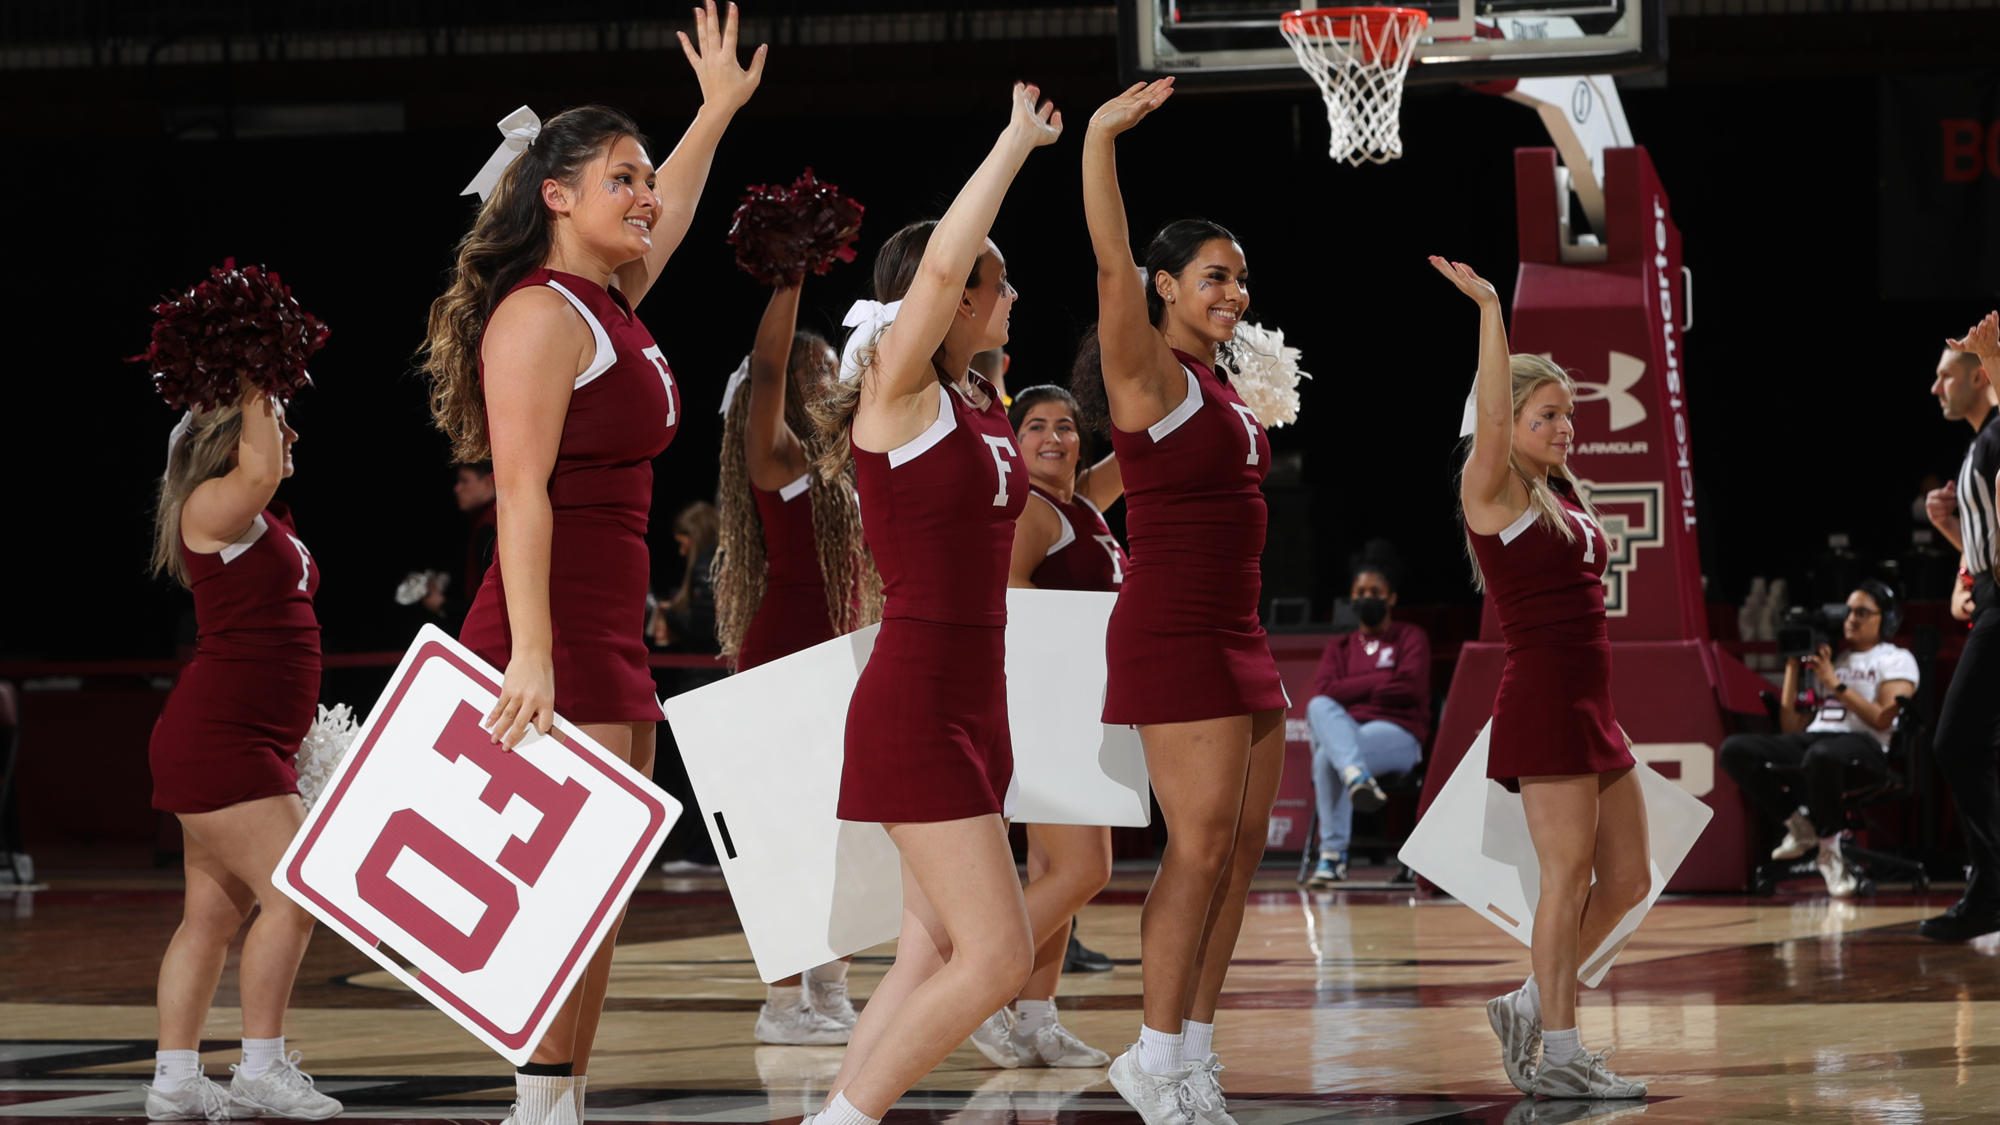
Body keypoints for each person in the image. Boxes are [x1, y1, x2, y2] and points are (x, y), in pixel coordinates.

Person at [418, 10, 763, 1122]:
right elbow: (520, 493)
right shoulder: (534, 317)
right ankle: (536, 1102)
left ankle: (557, 1097)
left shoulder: (605, 302)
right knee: (557, 894)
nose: (645, 194)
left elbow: (686, 200)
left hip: (605, 628)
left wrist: (712, 112)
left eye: (645, 176)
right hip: (546, 632)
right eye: (623, 178)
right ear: (556, 195)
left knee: (599, 892)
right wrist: (529, 652)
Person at [805, 82, 1060, 1125]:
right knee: (997, 956)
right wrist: (1010, 147)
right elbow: (947, 260)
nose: (1008, 297)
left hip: (975, 698)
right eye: (997, 285)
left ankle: (841, 1112)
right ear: (950, 301)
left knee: (931, 952)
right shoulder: (897, 395)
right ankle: (842, 1120)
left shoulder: (971, 403)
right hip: (916, 698)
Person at [1079, 77, 1289, 1122]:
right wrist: (1099, 143)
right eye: (1214, 278)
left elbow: (1111, 487)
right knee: (1196, 846)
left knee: (1242, 849)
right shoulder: (1147, 372)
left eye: (1241, 281)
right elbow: (1110, 263)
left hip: (1237, 629)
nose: (1233, 295)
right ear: (1165, 286)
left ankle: (1190, 1052)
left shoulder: (1214, 386)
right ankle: (1151, 1055)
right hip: (1173, 631)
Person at [1434, 255, 1651, 1100]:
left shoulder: (1562, 491)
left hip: (1590, 708)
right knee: (1566, 881)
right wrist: (1490, 309)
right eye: (1548, 413)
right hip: (1545, 703)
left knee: (1629, 879)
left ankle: (1530, 1002)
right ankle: (1559, 1051)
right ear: (1511, 419)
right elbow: (1488, 416)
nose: (1566, 427)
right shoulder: (1490, 487)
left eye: (1569, 413)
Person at [145, 387, 343, 1123]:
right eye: (275, 418)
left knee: (210, 918)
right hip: (222, 736)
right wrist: (259, 369)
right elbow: (261, 469)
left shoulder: (255, 515)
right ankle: (260, 1066)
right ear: (233, 440)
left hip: (243, 736)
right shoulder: (212, 505)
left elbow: (266, 476)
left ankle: (173, 1078)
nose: (290, 431)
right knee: (297, 890)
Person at [713, 281, 880, 1047]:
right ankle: (781, 1006)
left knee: (851, 831)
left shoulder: (845, 464)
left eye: (831, 372)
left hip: (845, 657)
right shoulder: (775, 454)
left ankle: (830, 987)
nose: (827, 383)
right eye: (816, 372)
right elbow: (770, 369)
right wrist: (790, 278)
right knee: (787, 838)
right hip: (785, 656)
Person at [964, 383, 1124, 1069]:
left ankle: (1035, 1019)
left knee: (1056, 869)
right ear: (1014, 442)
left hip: (1079, 700)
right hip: (1046, 703)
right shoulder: (1029, 509)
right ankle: (968, 988)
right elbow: (1012, 602)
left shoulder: (1080, 502)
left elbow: (1143, 451)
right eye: (1035, 426)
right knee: (1086, 869)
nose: (1054, 436)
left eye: (1066, 425)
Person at [1718, 582, 1918, 896]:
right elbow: (1791, 727)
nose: (1852, 619)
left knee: (1822, 754)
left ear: (1887, 620)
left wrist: (1834, 684)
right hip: (1819, 739)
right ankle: (1799, 826)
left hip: (1866, 744)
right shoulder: (1832, 659)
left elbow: (1882, 716)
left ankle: (1830, 850)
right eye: (1849, 611)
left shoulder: (1895, 658)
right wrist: (1792, 669)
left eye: (1862, 612)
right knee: (1735, 750)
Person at [1917, 316, 2000, 940]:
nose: (1935, 388)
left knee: (1957, 742)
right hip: (1991, 607)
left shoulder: (1996, 436)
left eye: (1946, 376)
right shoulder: (1977, 447)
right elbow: (1974, 573)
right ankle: (1989, 887)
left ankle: (1991, 889)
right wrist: (1950, 528)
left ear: (1979, 378)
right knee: (1967, 746)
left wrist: (1994, 355)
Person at [1303, 545, 1430, 887]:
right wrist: (1382, 681)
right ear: (1351, 598)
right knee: (1317, 710)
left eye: (1375, 592)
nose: (1367, 597)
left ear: (1391, 598)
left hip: (1398, 734)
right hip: (1351, 733)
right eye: (1360, 592)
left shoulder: (1410, 637)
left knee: (1327, 756)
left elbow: (1410, 689)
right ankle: (1357, 776)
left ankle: (1332, 858)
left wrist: (1353, 689)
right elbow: (1326, 692)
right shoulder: (1339, 648)